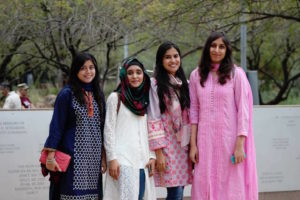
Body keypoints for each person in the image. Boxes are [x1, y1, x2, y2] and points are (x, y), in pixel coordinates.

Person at [189, 31, 258, 200]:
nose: (217, 50)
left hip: (229, 141)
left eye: (221, 47)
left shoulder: (236, 74)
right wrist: (193, 145)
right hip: (204, 142)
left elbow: (243, 110)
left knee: (231, 183)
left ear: (227, 50)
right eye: (213, 46)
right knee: (203, 181)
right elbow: (194, 111)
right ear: (207, 48)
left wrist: (240, 143)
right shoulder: (196, 75)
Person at [42, 52, 106, 200]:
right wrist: (50, 157)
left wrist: (103, 155)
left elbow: (102, 127)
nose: (88, 72)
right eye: (83, 68)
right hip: (72, 158)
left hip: (93, 160)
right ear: (76, 69)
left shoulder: (98, 94)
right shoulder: (67, 94)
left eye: (91, 67)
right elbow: (57, 126)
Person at [103, 58, 156, 200]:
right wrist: (112, 159)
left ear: (144, 75)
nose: (135, 76)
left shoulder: (146, 100)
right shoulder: (115, 98)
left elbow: (149, 130)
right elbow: (108, 131)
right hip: (122, 162)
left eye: (138, 72)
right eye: (130, 73)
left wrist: (152, 156)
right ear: (124, 76)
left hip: (143, 162)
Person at [147, 41, 192, 200]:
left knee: (179, 191)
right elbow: (154, 118)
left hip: (184, 146)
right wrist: (159, 153)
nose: (173, 60)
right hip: (167, 147)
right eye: (168, 57)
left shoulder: (185, 84)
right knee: (175, 192)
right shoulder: (155, 85)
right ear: (161, 60)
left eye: (175, 56)